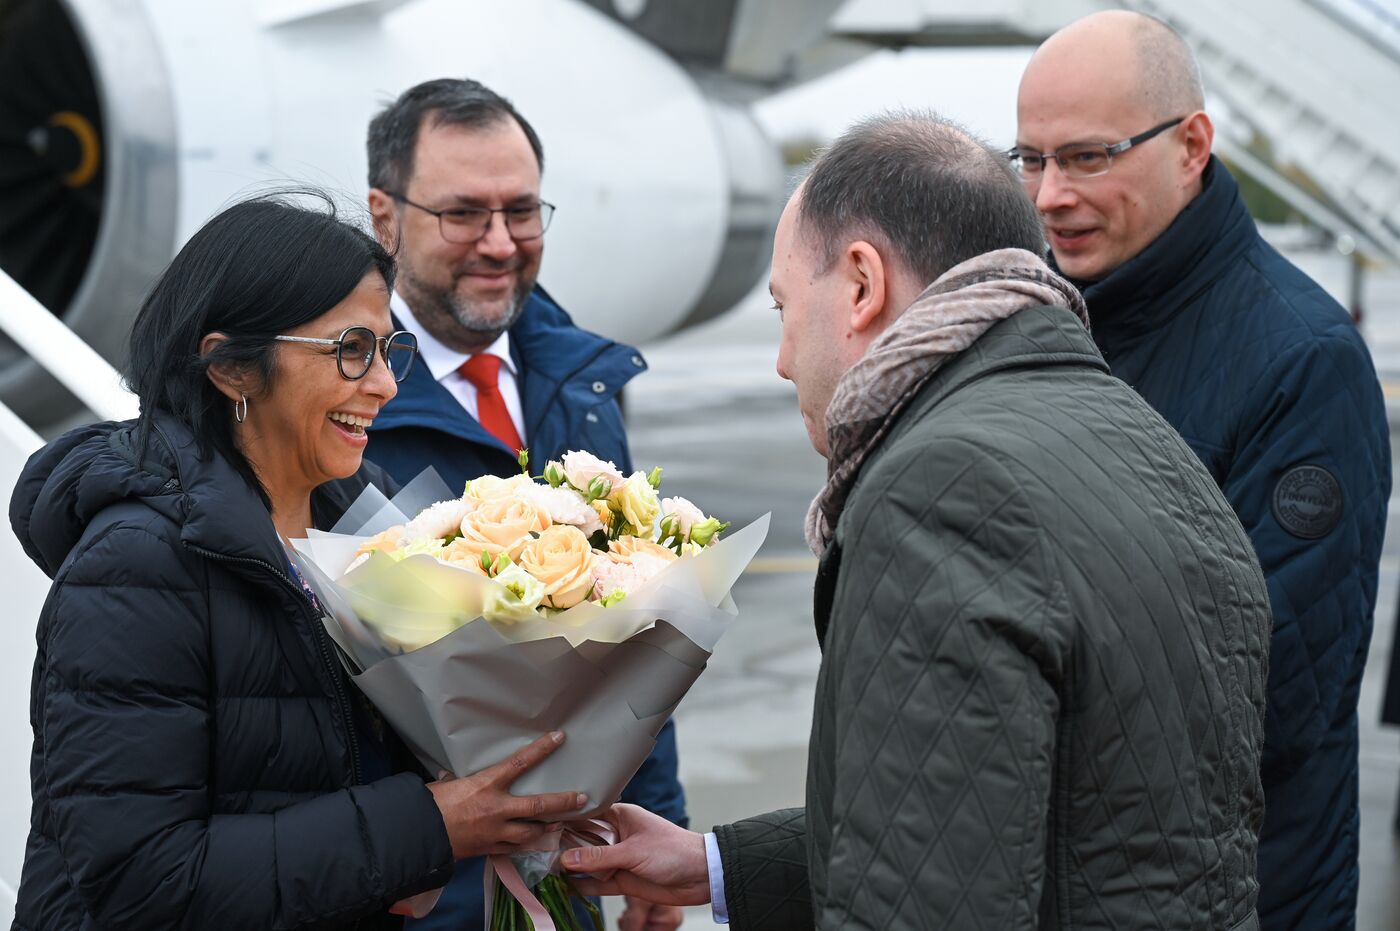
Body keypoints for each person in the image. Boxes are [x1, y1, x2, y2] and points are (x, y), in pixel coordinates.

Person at [560, 112, 1272, 929]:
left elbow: (924, 900)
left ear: (861, 284)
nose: (783, 357)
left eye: (783, 309)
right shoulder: (1143, 438)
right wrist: (713, 865)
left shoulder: (940, 491)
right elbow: (1046, 824)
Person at [7, 194, 588, 930]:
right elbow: (142, 881)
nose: (382, 384)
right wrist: (425, 828)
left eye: (387, 348)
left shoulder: (360, 522)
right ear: (233, 370)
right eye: (350, 349)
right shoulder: (137, 565)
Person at [1013, 12, 1390, 928]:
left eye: (1090, 156)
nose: (1051, 195)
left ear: (1191, 146)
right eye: (1030, 159)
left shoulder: (1302, 361)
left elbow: (1269, 699)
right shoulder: (1037, 325)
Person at [363, 79, 686, 931]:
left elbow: (636, 654)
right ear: (384, 217)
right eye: (465, 214)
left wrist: (654, 839)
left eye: (523, 211)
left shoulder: (583, 385)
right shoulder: (344, 401)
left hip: (561, 880)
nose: (501, 244)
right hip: (408, 889)